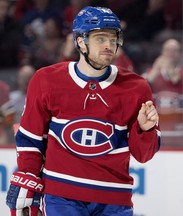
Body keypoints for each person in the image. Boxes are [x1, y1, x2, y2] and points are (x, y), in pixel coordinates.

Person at [6, 6, 160, 216]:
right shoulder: (46, 80)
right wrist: (28, 181)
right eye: (100, 38)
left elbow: (144, 155)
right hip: (61, 197)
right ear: (80, 41)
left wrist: (145, 130)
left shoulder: (137, 87)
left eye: (113, 39)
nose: (109, 45)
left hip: (115, 198)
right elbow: (31, 140)